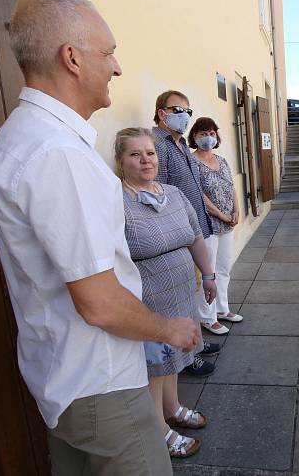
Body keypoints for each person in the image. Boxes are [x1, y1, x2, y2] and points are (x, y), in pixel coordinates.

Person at [0, 0, 199, 475]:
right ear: (73, 58)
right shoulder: (58, 153)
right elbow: (99, 301)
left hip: (67, 379)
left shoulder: (25, 135)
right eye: (109, 53)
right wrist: (168, 328)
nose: (118, 67)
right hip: (101, 386)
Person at [116, 127, 217, 458]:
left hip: (181, 295)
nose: (146, 160)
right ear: (120, 161)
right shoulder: (115, 202)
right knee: (154, 369)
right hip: (149, 302)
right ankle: (157, 428)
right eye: (135, 154)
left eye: (151, 153)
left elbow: (196, 237)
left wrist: (209, 275)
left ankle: (172, 408)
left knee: (175, 359)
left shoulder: (174, 193)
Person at [151, 90, 220, 372]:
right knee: (181, 297)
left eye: (188, 111)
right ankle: (189, 356)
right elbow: (159, 192)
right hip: (177, 235)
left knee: (192, 292)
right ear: (162, 113)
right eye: (179, 110)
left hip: (194, 229)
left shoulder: (179, 143)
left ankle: (197, 342)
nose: (185, 116)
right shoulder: (158, 143)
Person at [189, 117, 244, 335]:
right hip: (208, 224)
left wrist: (236, 210)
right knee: (208, 273)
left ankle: (222, 309)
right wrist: (221, 214)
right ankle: (207, 317)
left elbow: (231, 187)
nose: (208, 137)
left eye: (212, 133)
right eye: (203, 133)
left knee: (223, 269)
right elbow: (198, 195)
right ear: (194, 136)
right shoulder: (192, 162)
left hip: (227, 224)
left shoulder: (222, 160)